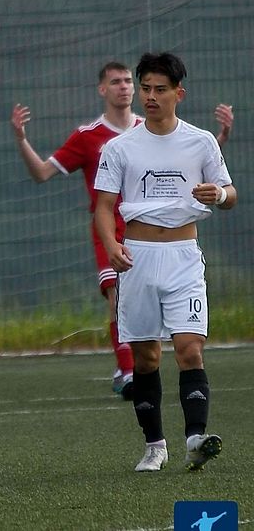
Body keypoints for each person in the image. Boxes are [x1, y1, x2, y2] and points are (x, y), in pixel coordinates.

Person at [11, 63, 233, 397]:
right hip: (114, 233)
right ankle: (127, 369)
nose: (125, 87)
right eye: (117, 82)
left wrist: (220, 143)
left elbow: (189, 158)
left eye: (129, 81)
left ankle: (143, 374)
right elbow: (42, 172)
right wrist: (21, 139)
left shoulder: (153, 127)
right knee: (116, 296)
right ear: (103, 89)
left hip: (172, 243)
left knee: (182, 342)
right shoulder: (90, 137)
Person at [93, 52, 236, 473]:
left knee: (190, 350)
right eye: (146, 89)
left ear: (179, 94)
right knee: (146, 358)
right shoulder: (119, 147)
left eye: (160, 89)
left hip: (183, 258)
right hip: (137, 258)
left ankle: (195, 439)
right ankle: (155, 445)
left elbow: (230, 194)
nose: (150, 97)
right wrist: (111, 245)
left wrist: (219, 194)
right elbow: (103, 207)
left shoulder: (201, 141)